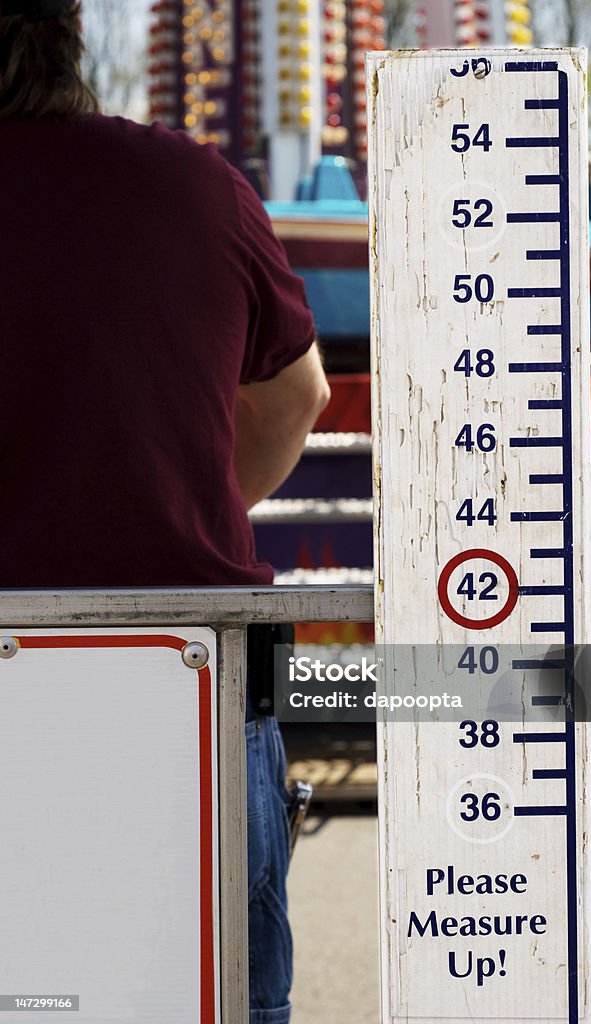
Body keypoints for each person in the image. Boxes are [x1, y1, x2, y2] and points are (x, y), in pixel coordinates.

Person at [0, 2, 330, 1022]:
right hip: (188, 671)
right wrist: (179, 501)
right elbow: (297, 395)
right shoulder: (198, 187)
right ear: (69, 41)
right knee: (214, 991)